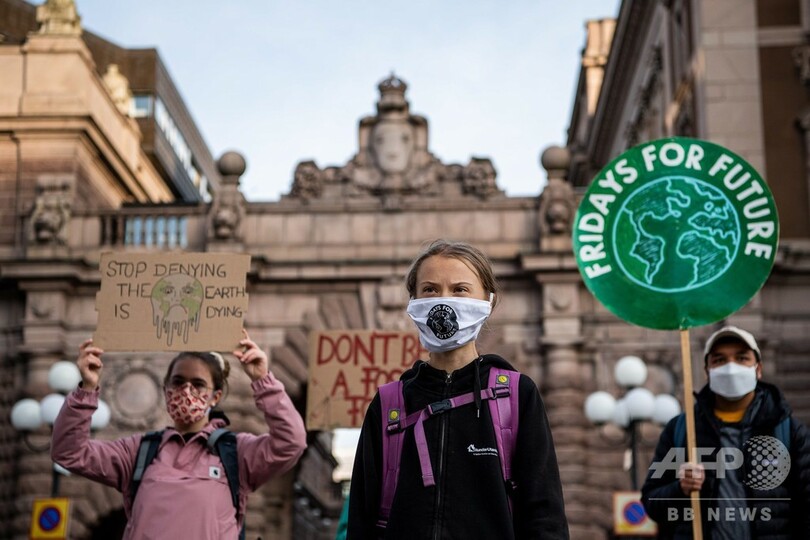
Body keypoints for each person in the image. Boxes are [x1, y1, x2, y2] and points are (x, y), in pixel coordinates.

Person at [347, 239, 569, 539]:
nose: (444, 300)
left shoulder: (517, 395)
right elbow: (362, 520)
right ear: (413, 301)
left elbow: (545, 514)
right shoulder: (389, 404)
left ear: (488, 301)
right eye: (430, 289)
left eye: (460, 289)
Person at [51, 330, 307, 540]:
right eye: (178, 382)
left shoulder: (237, 453)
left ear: (215, 396)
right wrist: (87, 388)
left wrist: (263, 381)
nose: (186, 390)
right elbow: (69, 453)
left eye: (197, 384)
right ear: (166, 389)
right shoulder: (138, 451)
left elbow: (291, 443)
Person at [641, 326, 810, 539]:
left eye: (741, 358)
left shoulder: (788, 431)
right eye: (719, 360)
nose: (731, 367)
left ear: (758, 369)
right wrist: (680, 488)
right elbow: (651, 503)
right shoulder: (682, 430)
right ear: (707, 371)